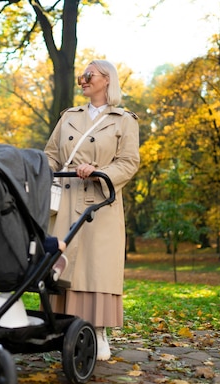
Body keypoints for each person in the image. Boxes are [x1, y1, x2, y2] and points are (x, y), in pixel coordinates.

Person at [44, 59, 140, 360]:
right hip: (67, 200)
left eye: (89, 75)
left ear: (107, 80)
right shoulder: (69, 117)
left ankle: (98, 331)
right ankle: (64, 329)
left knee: (97, 269)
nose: (83, 80)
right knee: (64, 265)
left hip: (101, 202)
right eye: (81, 76)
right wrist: (39, 175)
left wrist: (100, 173)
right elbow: (50, 156)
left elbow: (129, 162)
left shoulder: (125, 120)